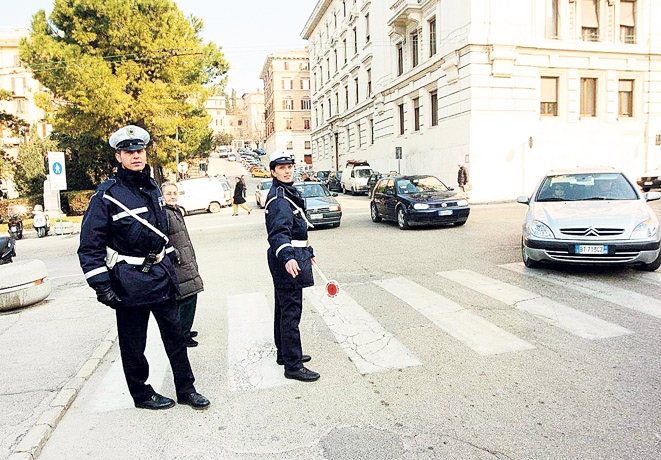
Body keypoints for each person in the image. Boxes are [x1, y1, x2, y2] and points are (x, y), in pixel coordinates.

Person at [77, 125, 210, 411]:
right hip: (129, 281)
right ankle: (142, 394)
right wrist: (101, 285)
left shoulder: (151, 188)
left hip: (161, 276)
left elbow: (160, 229)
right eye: (129, 152)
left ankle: (186, 389)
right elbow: (89, 246)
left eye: (139, 151)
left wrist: (172, 254)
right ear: (119, 157)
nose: (136, 156)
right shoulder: (106, 197)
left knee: (176, 337)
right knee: (134, 345)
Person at [264, 151, 319, 382]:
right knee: (291, 313)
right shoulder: (279, 199)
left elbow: (297, 228)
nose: (287, 171)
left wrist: (309, 252)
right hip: (288, 259)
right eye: (281, 167)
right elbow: (278, 233)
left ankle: (284, 354)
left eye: (289, 167)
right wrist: (288, 258)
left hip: (295, 254)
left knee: (282, 308)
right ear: (273, 171)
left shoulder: (285, 192)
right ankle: (293, 365)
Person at [162, 182, 204, 348]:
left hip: (185, 260)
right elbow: (160, 237)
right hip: (177, 262)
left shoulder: (176, 210)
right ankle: (182, 335)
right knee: (188, 297)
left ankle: (182, 330)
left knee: (184, 298)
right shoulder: (164, 213)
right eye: (168, 194)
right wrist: (173, 252)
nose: (172, 196)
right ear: (162, 196)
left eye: (174, 193)